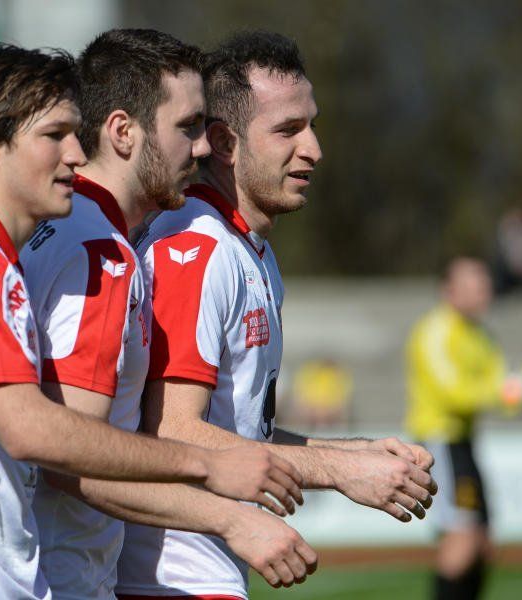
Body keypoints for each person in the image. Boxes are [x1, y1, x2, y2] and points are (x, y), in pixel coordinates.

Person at [0, 42, 306, 599]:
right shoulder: (18, 254)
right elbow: (42, 434)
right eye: (54, 136)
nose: (77, 152)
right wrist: (212, 475)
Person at [116, 31, 438, 600]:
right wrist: (338, 473)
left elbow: (236, 429)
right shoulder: (196, 248)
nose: (313, 148)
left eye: (311, 124)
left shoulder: (251, 251)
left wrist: (351, 454)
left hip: (205, 571)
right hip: (169, 579)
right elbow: (171, 428)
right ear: (223, 142)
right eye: (288, 130)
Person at [19, 29, 316, 599]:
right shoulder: (98, 252)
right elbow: (67, 452)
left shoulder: (78, 234)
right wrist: (228, 512)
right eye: (187, 127)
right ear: (123, 132)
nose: (203, 147)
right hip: (63, 579)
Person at [405, 256, 522, 600]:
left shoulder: (481, 336)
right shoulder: (435, 331)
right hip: (439, 443)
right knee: (461, 540)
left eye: (485, 284)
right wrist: (515, 390)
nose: (484, 291)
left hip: (465, 443)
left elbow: (502, 390)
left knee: (483, 544)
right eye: (474, 285)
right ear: (449, 290)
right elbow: (454, 393)